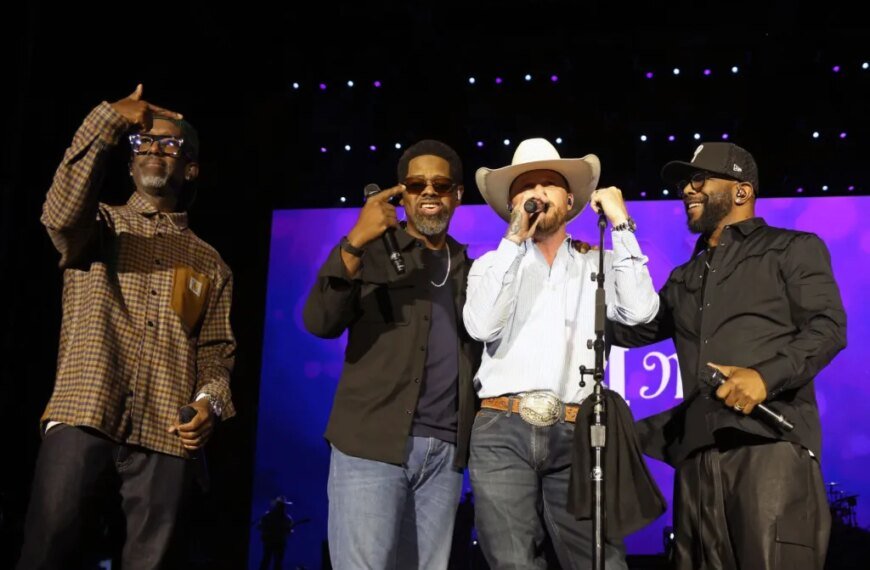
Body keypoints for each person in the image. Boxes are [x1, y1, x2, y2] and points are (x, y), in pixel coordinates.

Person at [17, 85, 236, 569]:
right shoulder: (98, 226)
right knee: (46, 554)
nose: (153, 149)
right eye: (142, 143)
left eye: (168, 144)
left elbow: (217, 352)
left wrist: (209, 404)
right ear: (129, 160)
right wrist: (107, 120)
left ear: (191, 166)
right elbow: (56, 213)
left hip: (166, 433)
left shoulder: (210, 263)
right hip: (86, 411)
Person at [609, 142, 847, 569]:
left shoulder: (791, 248)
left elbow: (828, 328)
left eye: (699, 179)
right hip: (697, 457)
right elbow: (632, 329)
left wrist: (764, 377)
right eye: (684, 182)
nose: (686, 189)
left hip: (768, 447)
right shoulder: (685, 276)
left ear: (741, 191)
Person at [463, 137, 660, 569]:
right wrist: (514, 241)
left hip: (577, 430)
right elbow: (480, 327)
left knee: (600, 562)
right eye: (525, 186)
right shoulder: (491, 265)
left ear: (570, 199)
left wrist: (621, 223)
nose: (537, 194)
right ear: (512, 202)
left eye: (548, 184)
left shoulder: (597, 262)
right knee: (514, 563)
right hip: (502, 429)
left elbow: (641, 312)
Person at [302, 139, 482, 569]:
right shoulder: (372, 251)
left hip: (444, 456)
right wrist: (355, 240)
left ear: (457, 194)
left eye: (440, 184)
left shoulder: (472, 270)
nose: (429, 192)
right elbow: (319, 321)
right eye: (417, 184)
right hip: (371, 445)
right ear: (402, 193)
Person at [256, 496, 295, 570]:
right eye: (280, 505)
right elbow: (260, 526)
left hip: (278, 543)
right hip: (270, 542)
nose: (282, 507)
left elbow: (289, 531)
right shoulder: (268, 515)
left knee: (276, 563)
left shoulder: (286, 518)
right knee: (267, 561)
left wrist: (288, 530)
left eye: (283, 505)